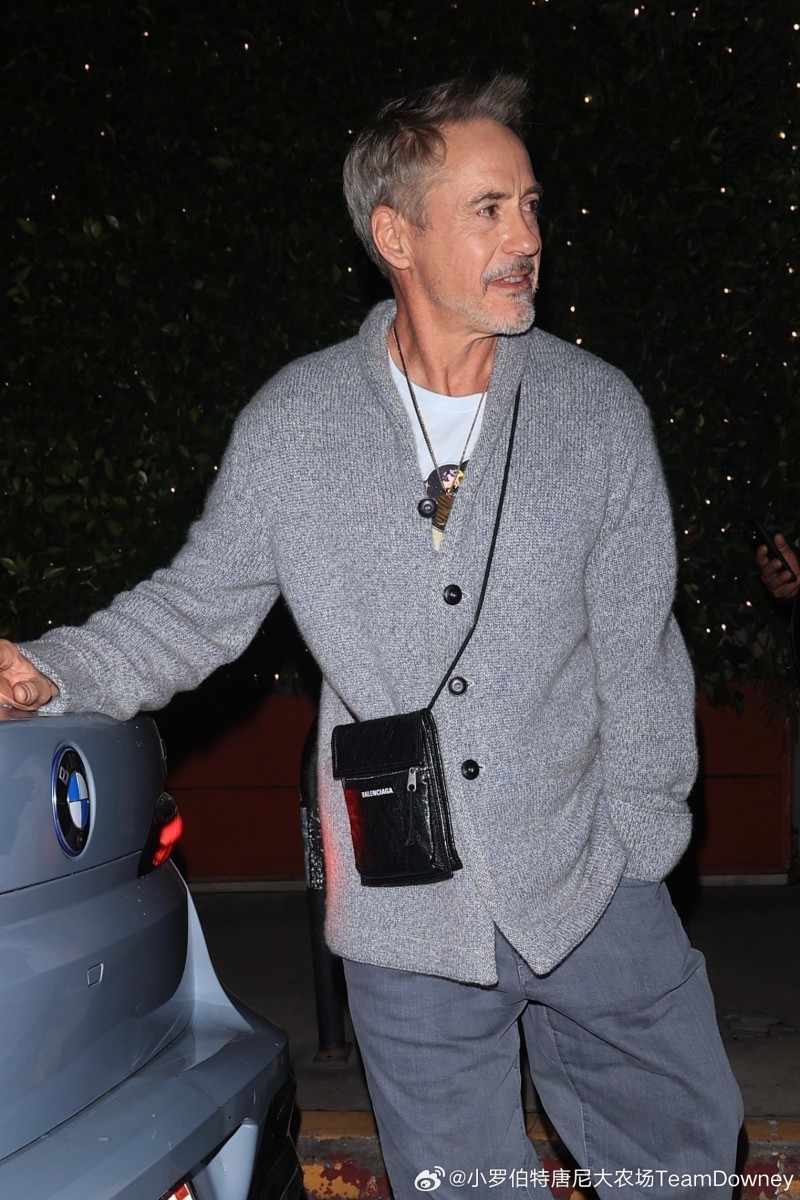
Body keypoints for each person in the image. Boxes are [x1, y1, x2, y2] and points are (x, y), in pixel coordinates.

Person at [0, 75, 742, 1198]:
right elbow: (193, 608)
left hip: (591, 883)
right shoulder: (296, 425)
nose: (526, 238)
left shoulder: (596, 411)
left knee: (683, 1169)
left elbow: (640, 652)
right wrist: (49, 669)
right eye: (488, 209)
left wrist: (642, 851)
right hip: (405, 910)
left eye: (531, 205)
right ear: (395, 236)